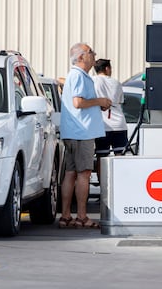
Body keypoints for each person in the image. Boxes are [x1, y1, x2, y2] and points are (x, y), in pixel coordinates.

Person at [59, 43, 112, 229]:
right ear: (81, 57)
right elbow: (78, 102)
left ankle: (66, 215)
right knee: (84, 174)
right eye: (91, 52)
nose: (94, 55)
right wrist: (101, 101)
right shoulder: (80, 76)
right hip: (82, 132)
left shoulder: (74, 75)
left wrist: (98, 104)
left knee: (70, 174)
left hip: (73, 131)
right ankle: (82, 215)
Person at [92, 59, 128, 175]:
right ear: (107, 68)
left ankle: (103, 186)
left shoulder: (92, 81)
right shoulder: (116, 83)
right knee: (119, 156)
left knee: (101, 156)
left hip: (101, 124)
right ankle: (119, 182)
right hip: (119, 123)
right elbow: (120, 101)